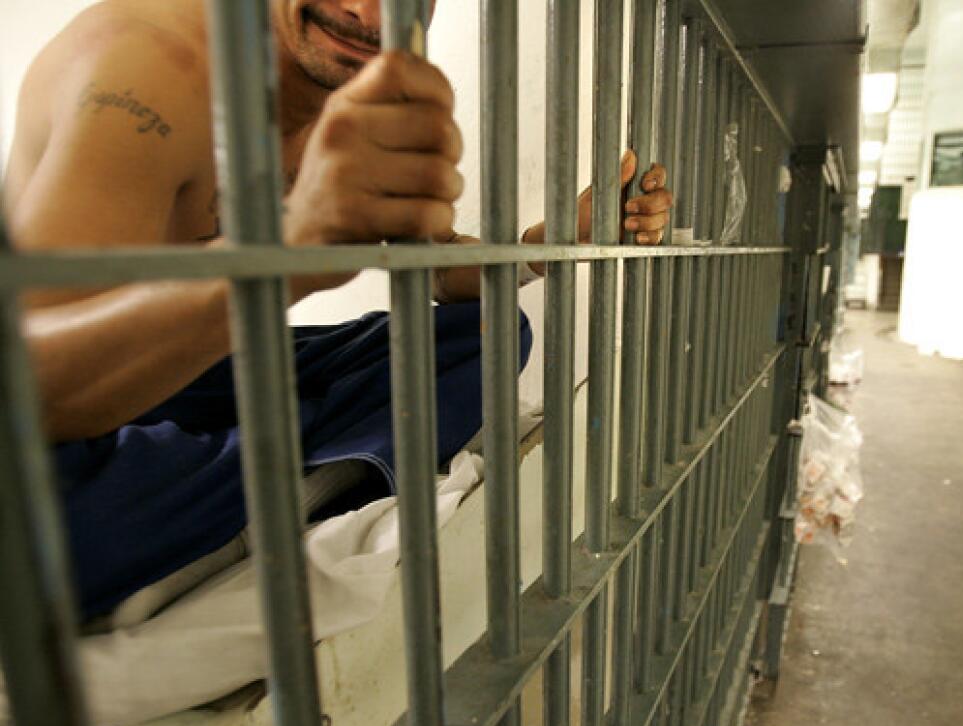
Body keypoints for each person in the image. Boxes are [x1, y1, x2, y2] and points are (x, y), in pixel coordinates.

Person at [3, 0, 674, 442]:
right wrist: (288, 249)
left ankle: (232, 484)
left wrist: (550, 242)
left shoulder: (357, 69)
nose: (368, 13)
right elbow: (28, 389)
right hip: (67, 418)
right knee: (47, 515)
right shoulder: (143, 70)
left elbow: (435, 268)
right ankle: (266, 482)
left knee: (479, 340)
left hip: (200, 376)